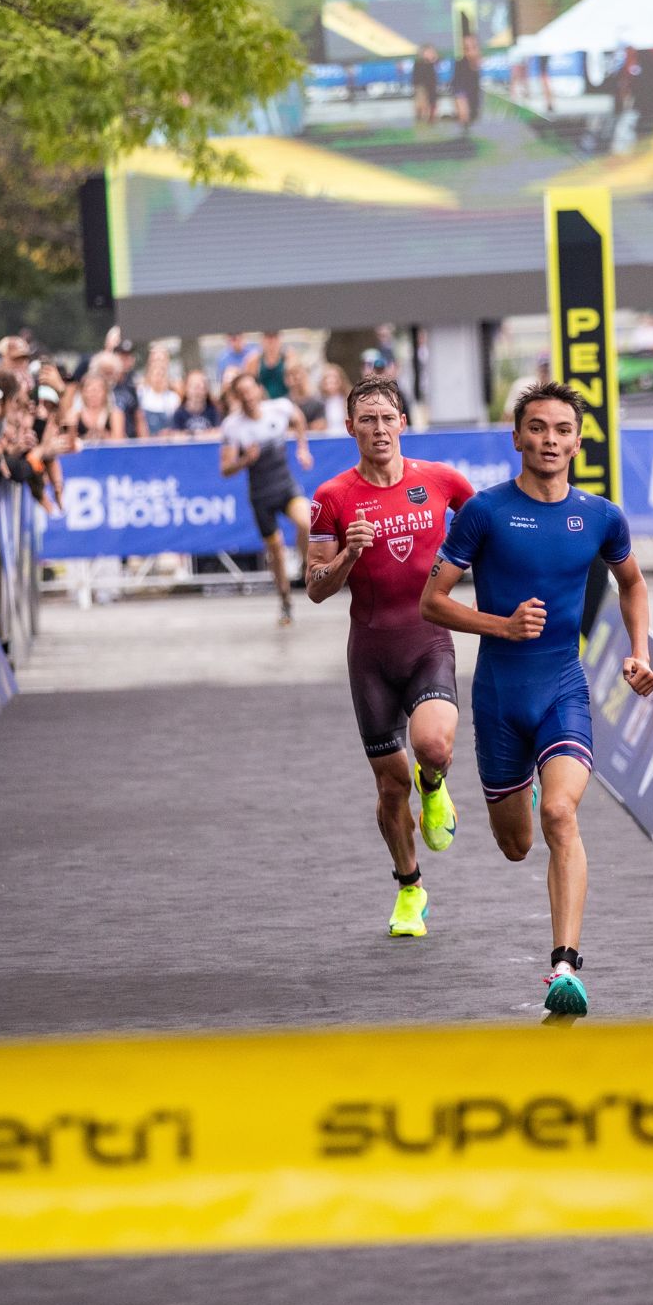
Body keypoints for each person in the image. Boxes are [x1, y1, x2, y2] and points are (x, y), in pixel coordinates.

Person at [420, 382, 653, 1017]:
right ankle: (504, 786)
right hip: (499, 695)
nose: (550, 440)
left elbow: (632, 583)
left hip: (562, 685)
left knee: (561, 816)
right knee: (517, 844)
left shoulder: (601, 516)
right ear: (518, 437)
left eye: (561, 430)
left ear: (578, 442)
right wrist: (500, 625)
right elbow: (432, 601)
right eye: (538, 428)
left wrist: (640, 651)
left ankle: (565, 966)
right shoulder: (485, 513)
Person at [305, 379, 474, 937]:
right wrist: (350, 553)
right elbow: (315, 587)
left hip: (428, 640)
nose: (378, 429)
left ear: (404, 421)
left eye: (387, 417)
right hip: (371, 653)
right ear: (350, 427)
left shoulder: (442, 482)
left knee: (433, 745)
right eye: (366, 419)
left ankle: (436, 783)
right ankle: (410, 889)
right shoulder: (332, 497)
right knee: (387, 787)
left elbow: (489, 535)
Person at [219, 374, 313, 625]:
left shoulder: (279, 408)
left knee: (307, 522)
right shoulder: (232, 426)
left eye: (251, 390)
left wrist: (303, 447)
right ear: (237, 398)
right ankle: (285, 601)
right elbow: (225, 469)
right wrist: (244, 460)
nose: (248, 397)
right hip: (261, 495)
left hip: (285, 485)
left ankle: (307, 567)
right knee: (276, 552)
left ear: (259, 390)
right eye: (242, 393)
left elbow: (299, 418)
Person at [450, 34, 484, 132]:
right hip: (462, 88)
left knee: (471, 116)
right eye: (466, 48)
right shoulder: (460, 65)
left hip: (471, 92)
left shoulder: (476, 64)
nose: (470, 51)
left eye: (473, 46)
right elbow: (459, 91)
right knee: (465, 116)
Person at [171, 371, 222, 435]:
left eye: (201, 387)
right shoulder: (179, 413)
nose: (198, 392)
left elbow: (217, 432)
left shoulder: (213, 411)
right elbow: (176, 434)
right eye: (195, 387)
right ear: (186, 389)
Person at [412, 44, 440, 125]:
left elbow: (436, 59)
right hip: (421, 83)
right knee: (421, 99)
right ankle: (421, 119)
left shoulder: (431, 63)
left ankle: (430, 120)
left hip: (430, 83)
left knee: (431, 100)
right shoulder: (418, 62)